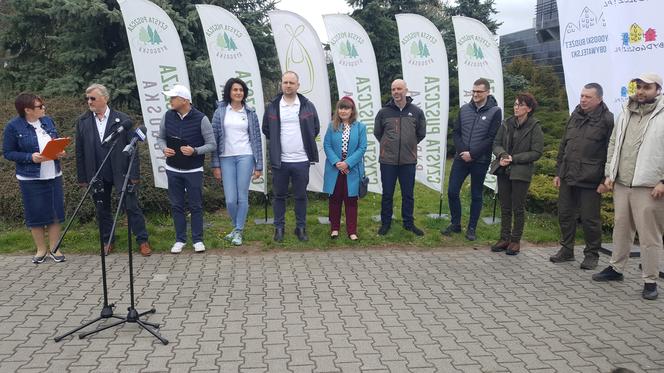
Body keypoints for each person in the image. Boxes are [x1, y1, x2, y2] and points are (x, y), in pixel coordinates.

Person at [592, 73, 664, 301]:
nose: (641, 91)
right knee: (621, 228)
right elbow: (614, 143)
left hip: (649, 185)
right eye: (639, 86)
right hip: (622, 183)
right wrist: (609, 174)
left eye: (647, 87)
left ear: (658, 89)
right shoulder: (626, 111)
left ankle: (650, 280)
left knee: (649, 236)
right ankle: (616, 268)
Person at [75, 83, 152, 256]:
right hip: (96, 171)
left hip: (120, 171)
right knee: (102, 209)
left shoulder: (122, 119)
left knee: (131, 206)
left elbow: (133, 148)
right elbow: (79, 151)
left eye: (93, 98)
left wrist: (134, 174)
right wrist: (83, 177)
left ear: (105, 98)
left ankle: (142, 240)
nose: (89, 102)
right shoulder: (83, 121)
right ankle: (107, 240)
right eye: (87, 98)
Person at [549, 83, 614, 269]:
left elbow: (612, 150)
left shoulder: (607, 120)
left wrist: (605, 180)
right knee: (565, 215)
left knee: (590, 219)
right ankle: (566, 250)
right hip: (568, 175)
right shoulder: (575, 115)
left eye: (588, 97)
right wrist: (558, 172)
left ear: (599, 99)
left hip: (591, 179)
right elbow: (564, 146)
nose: (583, 100)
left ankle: (592, 254)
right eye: (582, 96)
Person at [3, 93, 66, 263]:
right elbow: (8, 153)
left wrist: (59, 151)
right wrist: (30, 157)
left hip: (53, 173)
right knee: (36, 213)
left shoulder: (48, 121)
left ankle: (55, 248)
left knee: (55, 212)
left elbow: (54, 141)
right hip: (30, 178)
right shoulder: (13, 127)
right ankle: (41, 249)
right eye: (40, 106)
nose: (43, 108)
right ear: (28, 110)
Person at [262, 71, 320, 242]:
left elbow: (314, 128)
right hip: (280, 161)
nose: (288, 85)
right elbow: (267, 129)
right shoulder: (273, 106)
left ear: (297, 85)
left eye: (291, 83)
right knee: (279, 196)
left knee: (300, 196)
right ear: (281, 84)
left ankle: (300, 228)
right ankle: (279, 228)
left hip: (301, 160)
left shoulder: (307, 105)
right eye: (285, 82)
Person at [158, 84, 216, 254]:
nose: (170, 100)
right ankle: (180, 239)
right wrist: (163, 148)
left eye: (173, 98)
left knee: (195, 205)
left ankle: (198, 240)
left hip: (193, 170)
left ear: (183, 100)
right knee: (176, 205)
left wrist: (195, 151)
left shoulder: (201, 118)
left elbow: (212, 144)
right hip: (173, 169)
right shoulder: (167, 116)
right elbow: (161, 138)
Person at [442, 78, 502, 241]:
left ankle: (472, 228)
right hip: (461, 158)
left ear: (487, 92)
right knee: (452, 191)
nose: (475, 94)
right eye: (473, 91)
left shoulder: (495, 111)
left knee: (476, 194)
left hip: (480, 160)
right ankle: (456, 224)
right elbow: (456, 132)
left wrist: (473, 154)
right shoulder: (464, 109)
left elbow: (491, 137)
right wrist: (463, 151)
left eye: (479, 92)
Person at [488, 93, 543, 255]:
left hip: (521, 171)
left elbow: (536, 152)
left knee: (518, 208)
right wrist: (502, 155)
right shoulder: (506, 123)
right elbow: (496, 143)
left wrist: (514, 159)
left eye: (520, 105)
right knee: (505, 206)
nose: (516, 107)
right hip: (503, 169)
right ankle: (504, 238)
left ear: (529, 108)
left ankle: (515, 240)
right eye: (515, 104)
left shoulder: (535, 126)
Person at [211, 78, 263, 246]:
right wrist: (215, 164)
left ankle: (238, 231)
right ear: (229, 92)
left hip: (245, 156)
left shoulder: (250, 112)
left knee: (242, 196)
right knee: (230, 200)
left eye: (241, 90)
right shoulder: (219, 112)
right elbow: (214, 140)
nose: (238, 92)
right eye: (235, 90)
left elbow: (256, 140)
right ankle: (235, 228)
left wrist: (259, 164)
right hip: (225, 158)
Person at [374, 79, 426, 236]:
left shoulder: (416, 112)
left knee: (408, 194)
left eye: (399, 89)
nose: (396, 92)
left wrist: (408, 145)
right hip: (388, 161)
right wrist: (389, 145)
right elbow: (378, 133)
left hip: (408, 161)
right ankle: (385, 223)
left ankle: (408, 223)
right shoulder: (383, 112)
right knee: (387, 193)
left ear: (406, 90)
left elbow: (421, 133)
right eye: (393, 89)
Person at [323, 96, 367, 241]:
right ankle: (334, 228)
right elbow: (327, 145)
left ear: (352, 110)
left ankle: (352, 231)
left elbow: (362, 147)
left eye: (346, 108)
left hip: (352, 170)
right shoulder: (332, 126)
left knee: (351, 201)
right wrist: (337, 163)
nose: (343, 111)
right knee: (334, 200)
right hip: (334, 169)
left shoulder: (360, 127)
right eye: (341, 108)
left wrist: (347, 163)